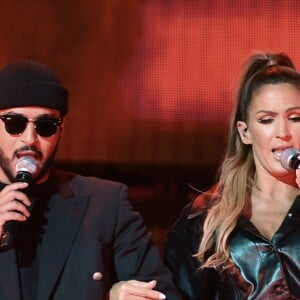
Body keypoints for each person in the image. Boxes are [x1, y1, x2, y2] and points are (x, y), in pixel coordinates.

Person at [0, 59, 182, 300]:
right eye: (15, 124)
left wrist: (108, 296)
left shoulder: (104, 204)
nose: (29, 140)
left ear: (61, 129)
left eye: (46, 126)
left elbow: (162, 295)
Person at [164, 52, 300, 299]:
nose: (283, 132)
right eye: (267, 120)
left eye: (295, 118)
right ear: (245, 132)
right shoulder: (205, 216)